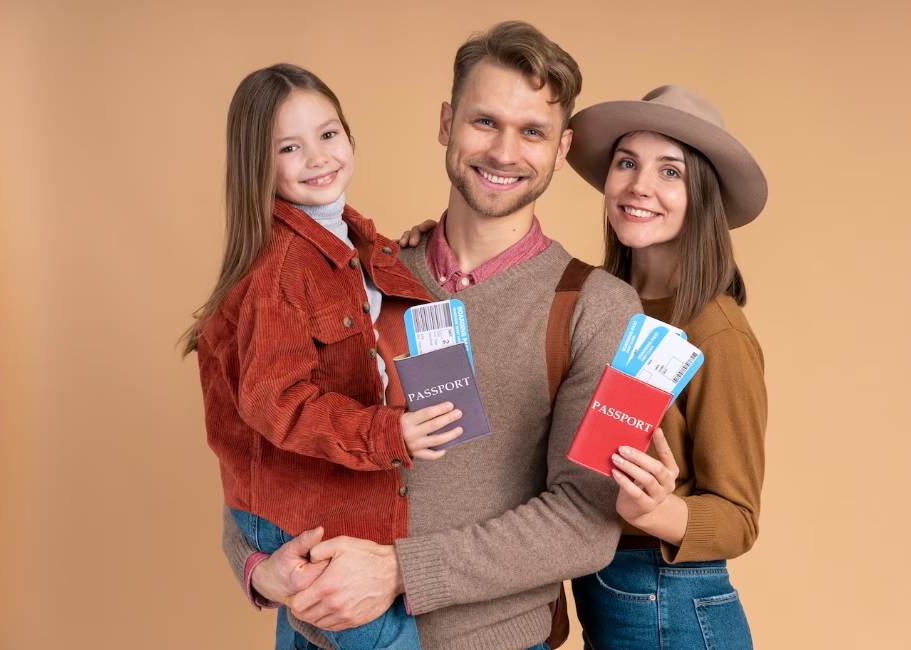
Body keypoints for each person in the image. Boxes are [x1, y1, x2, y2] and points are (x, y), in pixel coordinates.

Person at [220, 22, 644, 650]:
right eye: (484, 122)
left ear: (562, 148)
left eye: (532, 131)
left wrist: (398, 571)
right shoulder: (357, 274)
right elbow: (263, 436)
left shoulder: (606, 311)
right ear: (446, 123)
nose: (504, 152)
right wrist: (257, 569)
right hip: (317, 633)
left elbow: (586, 519)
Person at [182, 63, 467, 650]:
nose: (317, 157)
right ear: (257, 165)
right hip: (311, 519)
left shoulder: (357, 241)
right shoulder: (280, 266)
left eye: (329, 134)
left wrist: (412, 252)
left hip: (332, 508)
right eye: (290, 146)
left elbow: (388, 323)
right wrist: (390, 435)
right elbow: (276, 399)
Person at [563, 85, 769, 648]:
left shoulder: (715, 331)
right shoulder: (595, 304)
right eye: (626, 162)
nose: (639, 186)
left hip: (670, 602)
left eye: (670, 172)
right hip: (600, 589)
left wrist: (657, 511)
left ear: (703, 195)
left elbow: (738, 517)